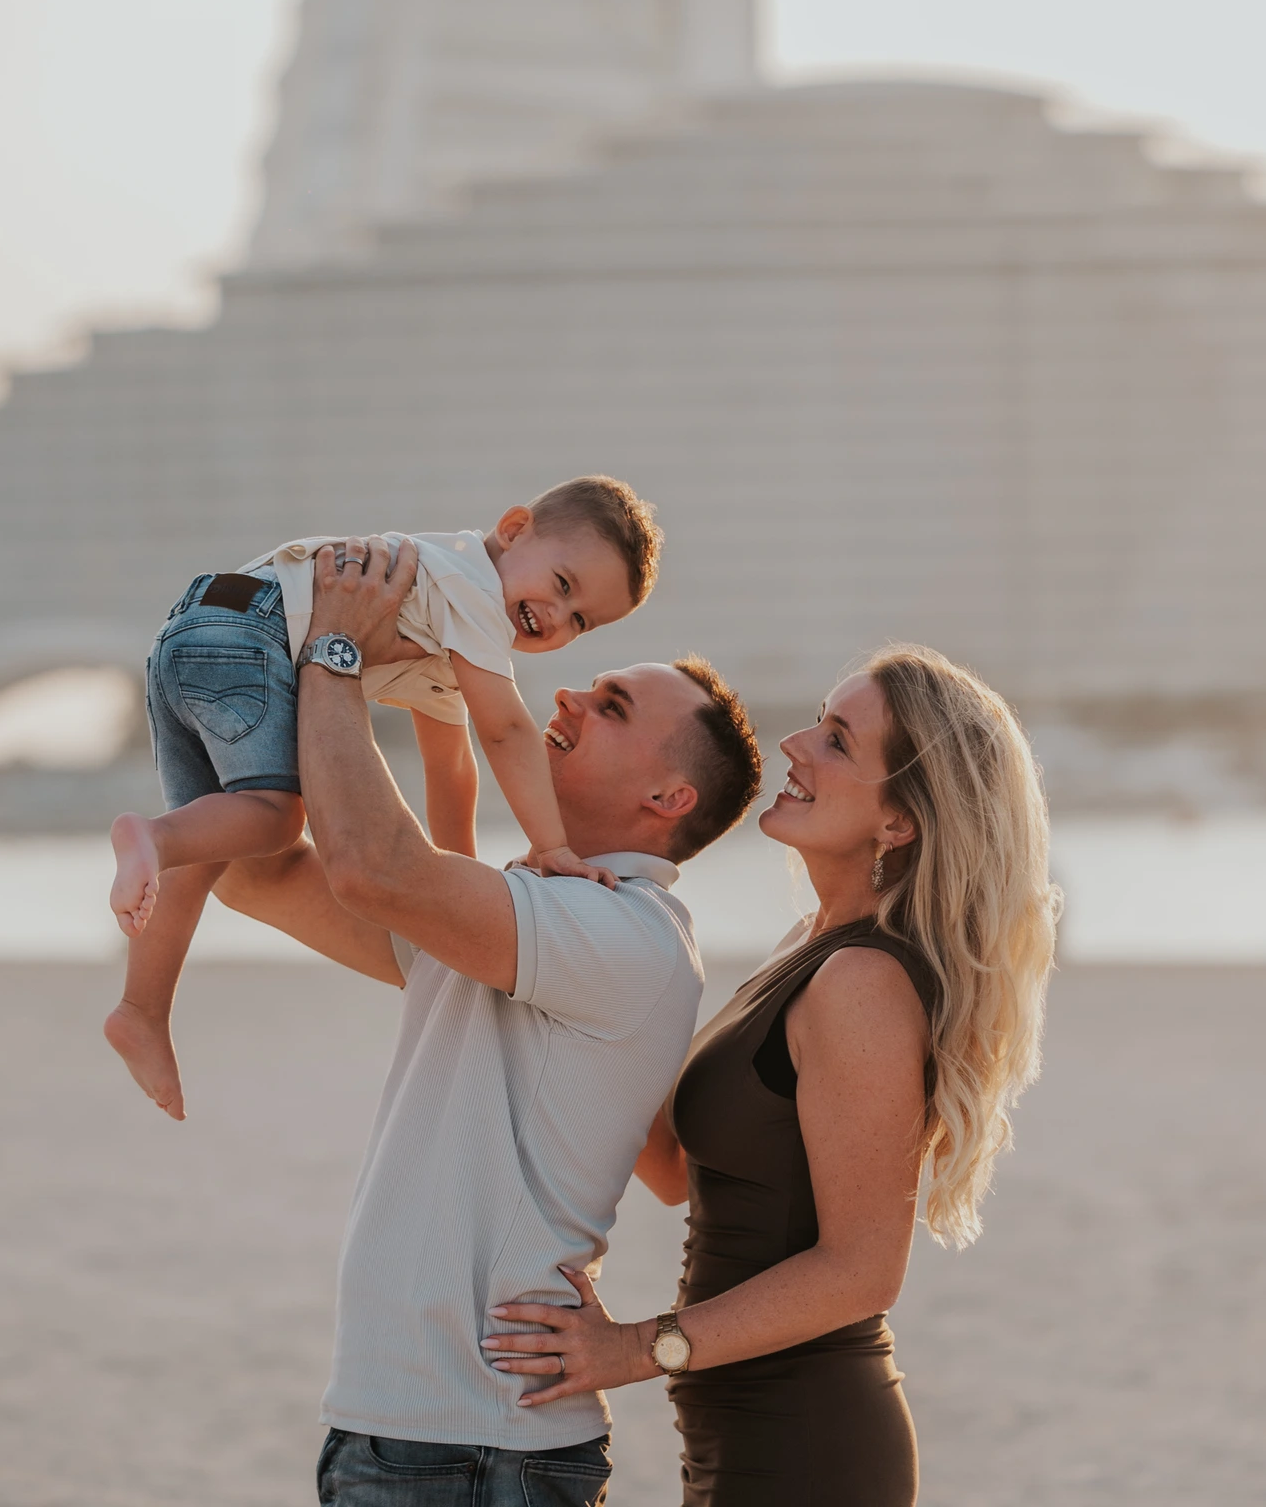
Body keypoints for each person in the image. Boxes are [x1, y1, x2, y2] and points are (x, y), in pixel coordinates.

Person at [208, 536, 766, 1506]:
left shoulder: (626, 932)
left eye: (612, 707)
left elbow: (371, 866)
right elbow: (255, 872)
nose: (565, 697)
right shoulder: (512, 915)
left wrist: (334, 650)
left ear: (666, 799)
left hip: (476, 1452)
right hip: (409, 1433)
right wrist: (242, 653)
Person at [478, 644, 1062, 1507]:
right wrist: (580, 979)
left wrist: (632, 1349)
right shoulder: (811, 946)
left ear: (898, 821)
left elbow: (863, 1270)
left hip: (806, 1444)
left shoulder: (862, 983)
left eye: (836, 740)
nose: (794, 745)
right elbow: (679, 1174)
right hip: (737, 1430)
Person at [104, 475, 660, 1118]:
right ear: (512, 531)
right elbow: (505, 732)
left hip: (191, 626)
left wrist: (460, 897)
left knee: (206, 846)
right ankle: (150, 837)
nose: (556, 618)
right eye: (563, 586)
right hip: (251, 640)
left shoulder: (444, 616)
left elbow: (451, 768)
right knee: (276, 816)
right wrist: (552, 846)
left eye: (580, 621)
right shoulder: (472, 593)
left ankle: (139, 1010)